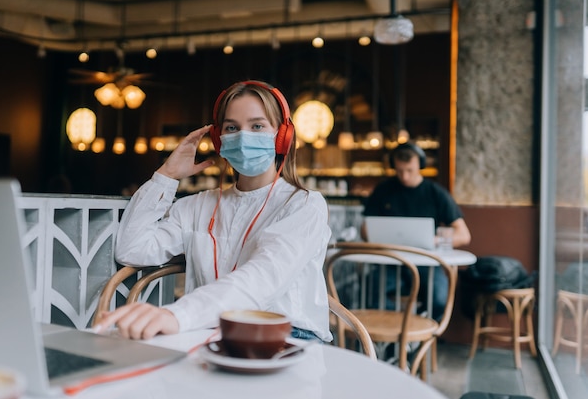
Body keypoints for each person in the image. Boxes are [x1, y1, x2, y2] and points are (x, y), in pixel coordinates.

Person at [94, 80, 333, 342]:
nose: (243, 136)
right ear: (220, 141)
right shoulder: (196, 206)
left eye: (257, 126)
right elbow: (133, 249)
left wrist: (177, 316)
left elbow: (262, 279)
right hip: (210, 333)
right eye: (232, 127)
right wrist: (167, 175)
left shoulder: (304, 204)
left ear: (282, 136)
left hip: (288, 337)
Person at [361, 141, 471, 320]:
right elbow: (365, 230)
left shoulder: (436, 193)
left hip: (426, 263)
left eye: (409, 170)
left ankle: (417, 335)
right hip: (389, 261)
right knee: (369, 294)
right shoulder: (383, 190)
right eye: (399, 170)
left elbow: (464, 235)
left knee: (440, 299)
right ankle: (395, 336)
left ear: (420, 165)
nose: (404, 176)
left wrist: (433, 239)